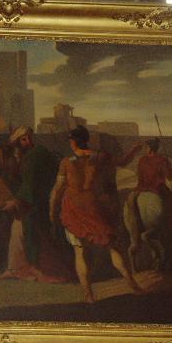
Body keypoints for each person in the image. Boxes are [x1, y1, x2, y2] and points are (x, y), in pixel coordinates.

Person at [50, 125, 141, 302]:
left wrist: (52, 210)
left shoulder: (66, 162)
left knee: (80, 252)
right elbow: (123, 162)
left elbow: (57, 190)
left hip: (73, 209)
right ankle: (133, 285)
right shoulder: (101, 156)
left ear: (73, 142)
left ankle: (89, 295)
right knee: (112, 247)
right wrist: (135, 149)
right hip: (94, 206)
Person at [0, 126, 67, 282]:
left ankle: (37, 269)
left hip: (35, 202)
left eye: (29, 137)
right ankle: (14, 269)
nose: (28, 141)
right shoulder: (25, 156)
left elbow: (30, 184)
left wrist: (17, 201)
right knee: (17, 232)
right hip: (31, 200)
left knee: (31, 234)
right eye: (23, 139)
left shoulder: (34, 155)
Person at [125, 138, 172, 271]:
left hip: (140, 190)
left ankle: (135, 241)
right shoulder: (162, 160)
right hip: (157, 189)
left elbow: (140, 176)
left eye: (146, 147)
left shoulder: (142, 160)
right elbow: (170, 177)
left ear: (149, 148)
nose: (145, 149)